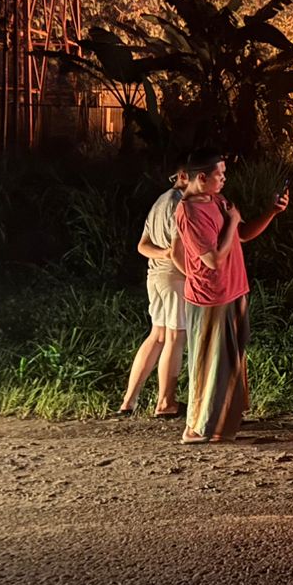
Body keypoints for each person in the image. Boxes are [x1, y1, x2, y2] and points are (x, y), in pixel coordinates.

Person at [171, 151, 288, 444]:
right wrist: (233, 222)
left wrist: (271, 212)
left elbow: (244, 234)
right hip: (210, 297)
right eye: (219, 174)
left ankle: (225, 420)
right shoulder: (190, 212)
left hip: (234, 289)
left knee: (232, 360)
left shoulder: (219, 201)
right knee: (210, 363)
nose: (224, 178)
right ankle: (197, 428)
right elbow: (212, 260)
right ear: (201, 177)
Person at [118, 164, 189, 418]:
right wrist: (176, 259)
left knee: (157, 335)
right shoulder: (179, 203)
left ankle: (128, 401)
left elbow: (142, 246)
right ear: (183, 177)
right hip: (174, 277)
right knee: (175, 337)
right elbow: (177, 248)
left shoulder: (160, 201)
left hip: (155, 276)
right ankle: (166, 402)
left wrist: (163, 254)